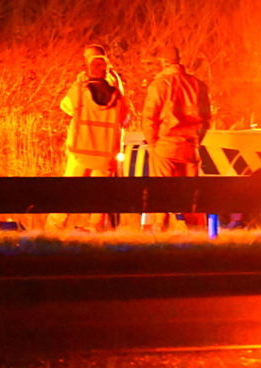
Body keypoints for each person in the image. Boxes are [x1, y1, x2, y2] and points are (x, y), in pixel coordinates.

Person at [46, 55, 131, 232]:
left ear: (89, 70)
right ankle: (95, 228)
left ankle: (55, 226)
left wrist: (78, 83)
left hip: (80, 152)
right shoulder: (117, 96)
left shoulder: (80, 90)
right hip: (105, 154)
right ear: (106, 73)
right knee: (100, 194)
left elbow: (66, 107)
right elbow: (125, 120)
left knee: (69, 191)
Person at [141, 45, 211, 231]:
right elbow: (206, 119)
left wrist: (153, 143)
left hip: (165, 145)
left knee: (162, 191)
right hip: (190, 146)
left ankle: (159, 231)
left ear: (163, 62)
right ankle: (197, 234)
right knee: (190, 194)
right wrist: (196, 140)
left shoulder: (160, 85)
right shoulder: (198, 85)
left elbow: (149, 118)